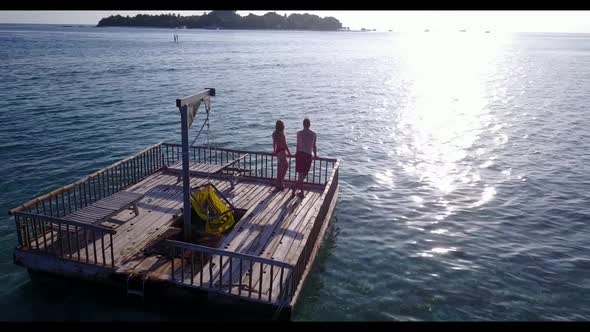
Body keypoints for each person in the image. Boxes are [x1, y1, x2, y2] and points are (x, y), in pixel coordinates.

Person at [293, 117, 317, 198]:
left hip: (300, 154)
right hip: (308, 155)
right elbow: (314, 146)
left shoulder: (298, 133)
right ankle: (296, 190)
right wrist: (316, 155)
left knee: (300, 175)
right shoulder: (314, 134)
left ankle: (299, 191)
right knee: (303, 175)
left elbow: (298, 145)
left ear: (303, 124)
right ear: (309, 125)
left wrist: (296, 153)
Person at [272, 120, 291, 190]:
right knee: (286, 166)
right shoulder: (281, 134)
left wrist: (274, 150)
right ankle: (281, 182)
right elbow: (285, 144)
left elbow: (274, 143)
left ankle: (278, 184)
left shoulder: (274, 133)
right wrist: (289, 152)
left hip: (277, 152)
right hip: (282, 151)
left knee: (280, 168)